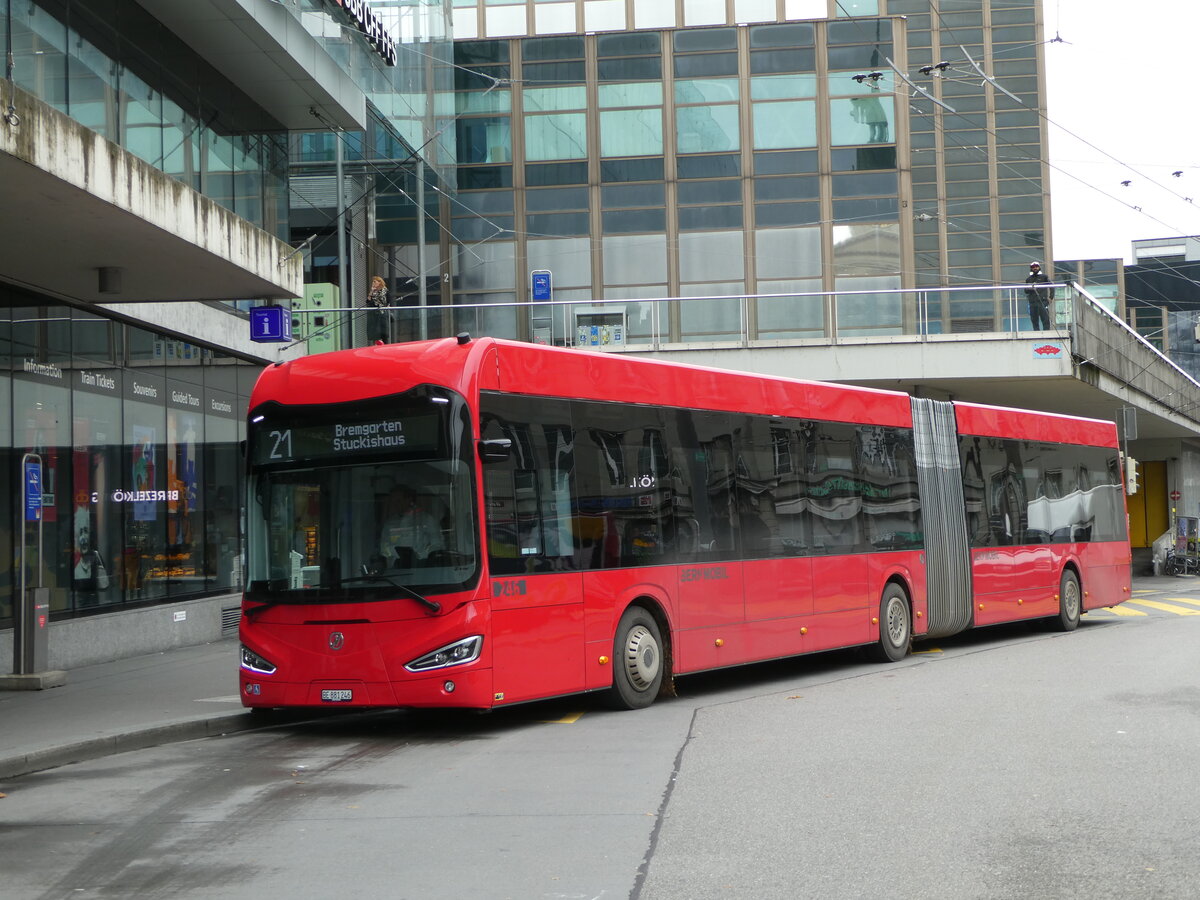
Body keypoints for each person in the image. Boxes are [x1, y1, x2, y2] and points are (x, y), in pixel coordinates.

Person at [378, 486, 441, 566]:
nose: (395, 505)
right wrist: (392, 558)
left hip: (423, 567)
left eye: (398, 501)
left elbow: (437, 545)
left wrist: (422, 556)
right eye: (393, 502)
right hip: (397, 569)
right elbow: (384, 547)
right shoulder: (390, 523)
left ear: (409, 499)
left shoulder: (426, 520)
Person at [1024, 261, 1054, 330]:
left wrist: (1051, 297)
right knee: (1034, 320)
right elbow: (1025, 291)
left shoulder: (1044, 277)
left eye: (1036, 267)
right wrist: (1031, 287)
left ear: (1039, 267)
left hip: (1042, 302)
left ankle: (1046, 333)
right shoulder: (1028, 279)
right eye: (1033, 267)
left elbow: (1052, 286)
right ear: (1031, 269)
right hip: (1032, 303)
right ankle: (1036, 333)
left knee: (1045, 319)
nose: (1035, 268)